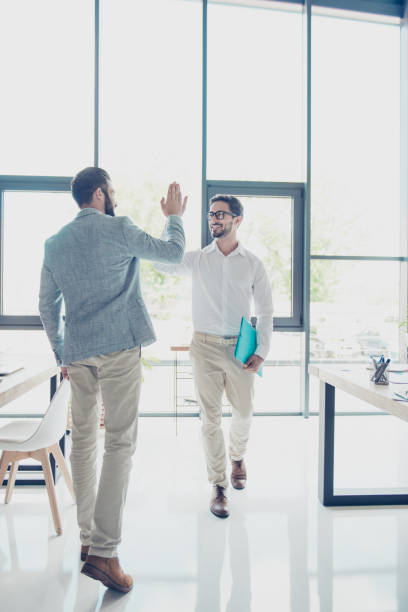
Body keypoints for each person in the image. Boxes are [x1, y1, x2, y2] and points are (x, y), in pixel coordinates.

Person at [39, 167, 187, 592]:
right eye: (113, 191)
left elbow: (47, 305)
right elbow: (172, 252)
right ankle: (105, 551)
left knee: (83, 442)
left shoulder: (55, 244)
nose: (115, 198)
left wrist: (61, 350)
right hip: (121, 347)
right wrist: (174, 216)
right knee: (119, 441)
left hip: (79, 352)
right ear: (101, 193)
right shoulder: (118, 229)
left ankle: (87, 543)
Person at [155, 195, 273, 518]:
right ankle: (219, 485)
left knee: (245, 412)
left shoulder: (252, 264)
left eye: (220, 214)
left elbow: (264, 310)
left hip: (240, 347)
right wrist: (172, 220)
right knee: (210, 420)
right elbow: (159, 263)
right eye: (210, 214)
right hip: (204, 347)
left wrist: (261, 351)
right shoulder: (196, 259)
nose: (213, 219)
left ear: (237, 220)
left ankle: (238, 456)